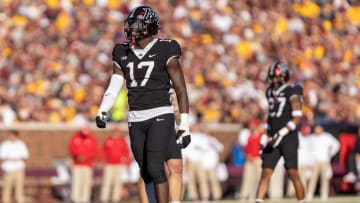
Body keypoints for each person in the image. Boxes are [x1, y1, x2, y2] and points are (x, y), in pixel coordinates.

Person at [95, 5, 191, 203]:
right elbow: (115, 83)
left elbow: (180, 88)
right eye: (131, 24)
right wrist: (103, 109)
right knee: (146, 171)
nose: (132, 28)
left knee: (156, 168)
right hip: (136, 117)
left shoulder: (166, 48)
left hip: (160, 114)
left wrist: (184, 125)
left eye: (137, 24)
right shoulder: (121, 51)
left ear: (150, 26)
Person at [255, 61, 305, 203]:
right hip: (273, 136)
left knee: (292, 172)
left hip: (288, 136)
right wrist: (265, 135)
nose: (272, 80)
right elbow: (270, 116)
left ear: (282, 76)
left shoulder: (293, 90)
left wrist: (282, 133)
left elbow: (297, 117)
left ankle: (302, 201)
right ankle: (258, 201)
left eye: (274, 77)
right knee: (266, 171)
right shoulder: (270, 91)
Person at [306, 124, 340, 201]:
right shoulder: (311, 138)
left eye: (319, 129)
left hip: (324, 160)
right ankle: (310, 193)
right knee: (313, 178)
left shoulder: (327, 136)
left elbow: (336, 144)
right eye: (316, 129)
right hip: (314, 161)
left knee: (325, 178)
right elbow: (308, 149)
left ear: (322, 129)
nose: (317, 130)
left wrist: (330, 153)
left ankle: (324, 194)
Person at [100, 125, 132, 203]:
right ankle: (104, 198)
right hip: (109, 165)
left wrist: (127, 161)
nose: (116, 134)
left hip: (118, 165)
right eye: (114, 132)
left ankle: (115, 199)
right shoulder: (108, 140)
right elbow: (102, 151)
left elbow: (126, 152)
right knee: (107, 182)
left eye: (117, 132)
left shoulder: (122, 141)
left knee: (117, 183)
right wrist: (101, 161)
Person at [68, 125, 98, 203]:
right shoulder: (75, 137)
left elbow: (94, 151)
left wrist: (85, 157)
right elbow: (71, 148)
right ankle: (76, 199)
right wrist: (77, 155)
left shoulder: (92, 139)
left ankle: (85, 199)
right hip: (77, 164)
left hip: (87, 164)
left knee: (86, 183)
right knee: (77, 182)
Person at [0, 130, 29, 203]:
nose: (11, 137)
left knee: (19, 188)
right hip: (8, 169)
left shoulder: (21, 144)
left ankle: (19, 200)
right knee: (7, 187)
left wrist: (14, 158)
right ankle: (5, 200)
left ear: (16, 136)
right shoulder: (5, 144)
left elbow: (25, 156)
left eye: (12, 135)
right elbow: (2, 156)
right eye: (10, 135)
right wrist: (12, 158)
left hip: (18, 169)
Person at [239, 119, 263, 201]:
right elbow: (246, 148)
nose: (251, 127)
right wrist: (247, 156)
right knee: (248, 177)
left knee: (258, 178)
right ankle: (244, 195)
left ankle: (256, 195)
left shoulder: (261, 135)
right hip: (249, 159)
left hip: (258, 159)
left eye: (253, 125)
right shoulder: (248, 135)